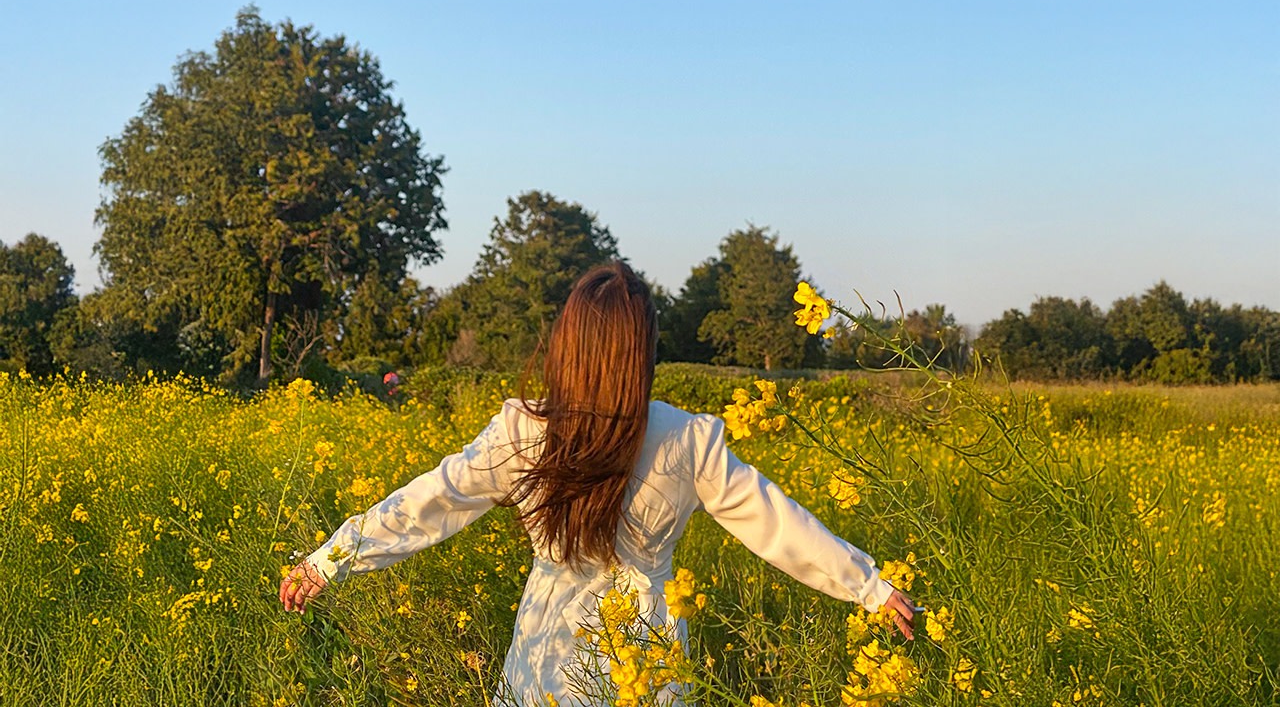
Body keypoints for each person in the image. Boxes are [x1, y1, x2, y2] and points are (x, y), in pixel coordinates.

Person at [279, 261, 916, 706]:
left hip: (545, 646)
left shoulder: (521, 432)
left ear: (568, 345)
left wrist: (328, 559)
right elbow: (776, 523)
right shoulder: (688, 439)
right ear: (643, 352)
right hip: (651, 651)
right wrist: (870, 587)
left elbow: (429, 502)